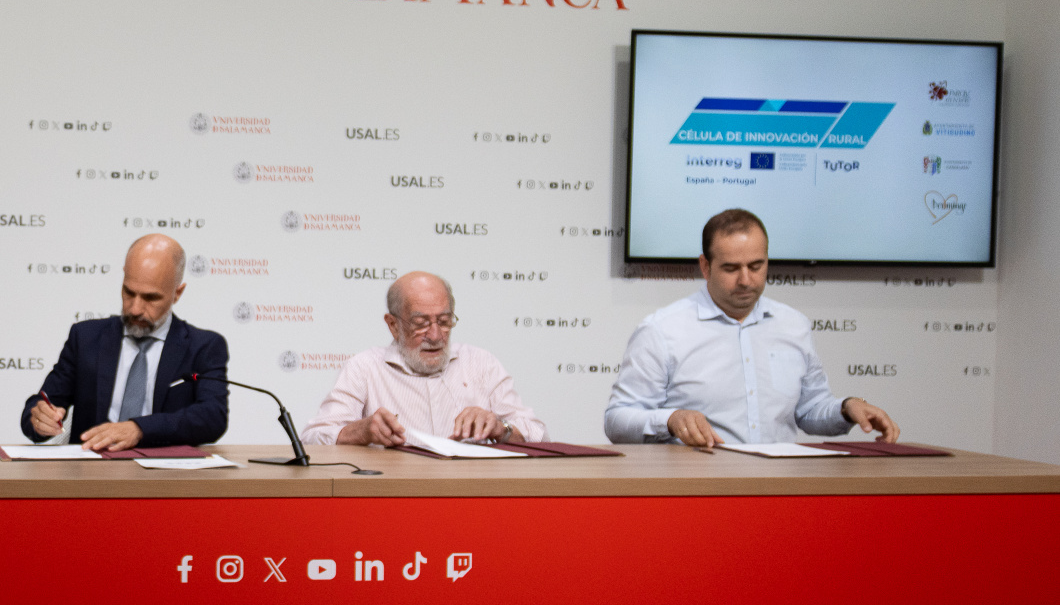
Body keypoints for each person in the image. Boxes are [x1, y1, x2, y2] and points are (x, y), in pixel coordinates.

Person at [604, 208, 899, 447]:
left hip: (777, 493)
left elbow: (809, 411)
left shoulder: (792, 325)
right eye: (731, 268)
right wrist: (669, 419)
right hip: (694, 491)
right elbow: (617, 420)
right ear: (705, 267)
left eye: (756, 266)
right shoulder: (662, 331)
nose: (746, 280)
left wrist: (846, 408)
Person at [21, 234, 228, 452]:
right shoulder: (85, 338)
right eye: (129, 292)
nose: (135, 308)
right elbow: (42, 404)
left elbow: (212, 416)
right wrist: (39, 418)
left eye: (150, 298)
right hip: (92, 475)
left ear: (177, 293)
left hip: (166, 478)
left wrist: (139, 429)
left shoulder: (203, 347)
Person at [300, 271, 546, 447]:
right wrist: (359, 431)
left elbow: (538, 434)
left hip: (472, 497)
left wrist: (500, 428)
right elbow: (313, 437)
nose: (436, 335)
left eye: (444, 321)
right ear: (393, 325)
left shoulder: (482, 363)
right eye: (420, 324)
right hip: (395, 498)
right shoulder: (364, 368)